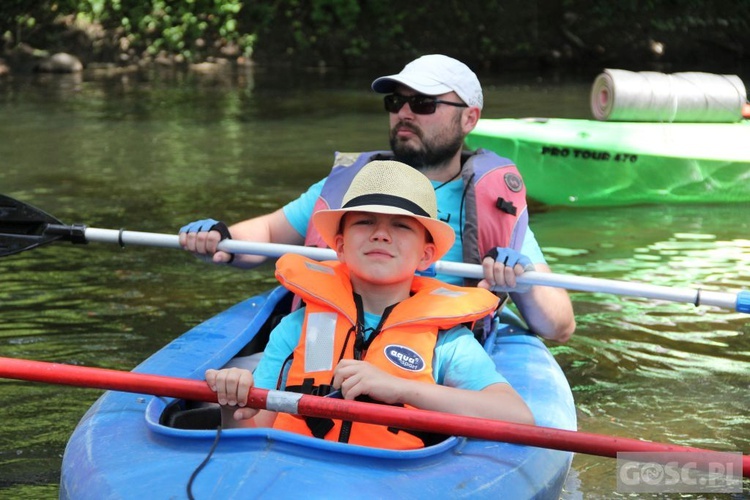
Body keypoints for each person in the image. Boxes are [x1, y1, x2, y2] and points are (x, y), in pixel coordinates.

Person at [180, 54, 575, 342]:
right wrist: (221, 239)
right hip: (331, 336)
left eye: (423, 103)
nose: (404, 113)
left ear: (469, 118)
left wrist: (522, 283)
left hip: (433, 347)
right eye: (395, 102)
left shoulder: (496, 204)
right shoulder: (352, 184)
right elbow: (267, 233)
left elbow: (559, 326)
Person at [205, 160, 535, 449]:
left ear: (426, 255)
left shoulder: (446, 342)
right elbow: (252, 436)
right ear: (340, 245)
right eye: (364, 222)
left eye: (401, 226)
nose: (380, 234)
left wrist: (398, 388)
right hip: (297, 476)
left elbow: (518, 417)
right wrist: (230, 402)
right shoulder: (301, 330)